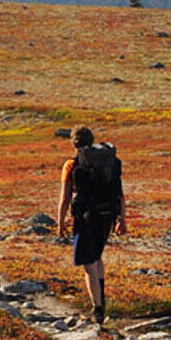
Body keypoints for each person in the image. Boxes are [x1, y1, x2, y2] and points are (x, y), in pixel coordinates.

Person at [57, 125, 126, 325]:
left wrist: (61, 222)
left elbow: (65, 197)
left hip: (85, 218)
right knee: (97, 257)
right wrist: (123, 219)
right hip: (107, 216)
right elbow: (120, 193)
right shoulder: (108, 162)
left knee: (89, 264)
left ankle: (97, 308)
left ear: (74, 143)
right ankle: (101, 297)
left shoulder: (71, 164)